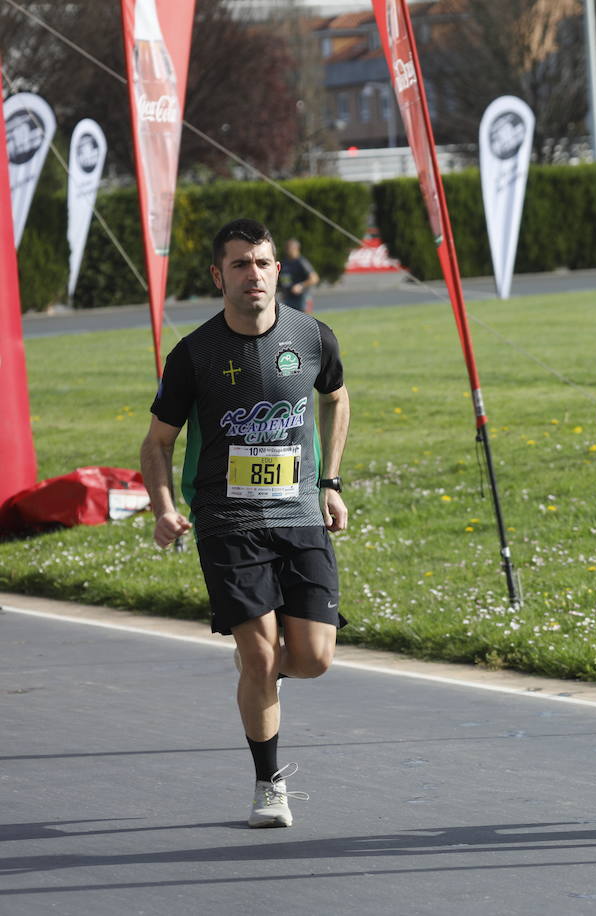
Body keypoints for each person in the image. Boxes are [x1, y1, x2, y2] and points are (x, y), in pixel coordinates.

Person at [140, 218, 350, 828]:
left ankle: (259, 671)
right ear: (218, 275)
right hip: (227, 520)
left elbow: (336, 397)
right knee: (259, 659)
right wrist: (163, 508)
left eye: (261, 263)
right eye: (239, 264)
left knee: (312, 660)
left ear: (277, 270)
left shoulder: (312, 336)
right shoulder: (194, 355)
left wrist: (330, 481)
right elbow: (156, 444)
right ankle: (269, 784)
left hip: (301, 514)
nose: (252, 274)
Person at [277, 238, 320, 312]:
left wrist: (301, 285)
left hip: (301, 298)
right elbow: (284, 280)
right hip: (288, 298)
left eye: (289, 248)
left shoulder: (301, 262)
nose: (286, 250)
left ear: (296, 248)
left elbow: (314, 278)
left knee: (303, 322)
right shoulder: (284, 262)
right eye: (286, 247)